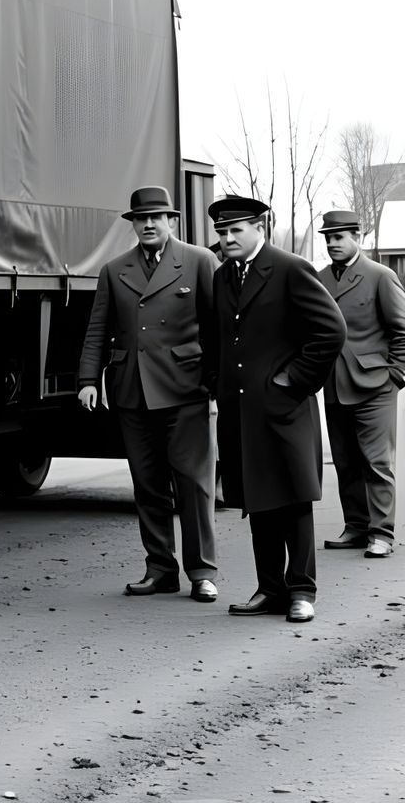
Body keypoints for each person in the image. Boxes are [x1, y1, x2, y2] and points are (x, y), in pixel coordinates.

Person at [77, 186, 220, 601]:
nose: (149, 224)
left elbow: (217, 328)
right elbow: (97, 330)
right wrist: (88, 380)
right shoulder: (114, 269)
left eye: (157, 217)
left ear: (171, 221)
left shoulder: (198, 261)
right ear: (133, 224)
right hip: (132, 391)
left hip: (186, 389)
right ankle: (160, 568)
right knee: (147, 484)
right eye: (142, 219)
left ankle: (202, 572)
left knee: (194, 484)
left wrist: (217, 380)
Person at [210, 194, 346, 623]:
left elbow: (331, 331)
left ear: (258, 229)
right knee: (258, 499)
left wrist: (293, 380)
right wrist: (219, 386)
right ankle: (270, 588)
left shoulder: (289, 269)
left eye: (236, 230)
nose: (228, 238)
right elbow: (222, 339)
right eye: (222, 232)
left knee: (293, 500)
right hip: (240, 411)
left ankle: (302, 591)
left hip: (285, 409)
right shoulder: (223, 277)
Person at [316, 208, 405, 559]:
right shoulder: (319, 278)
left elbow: (402, 330)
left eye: (339, 237)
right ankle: (355, 526)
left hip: (375, 386)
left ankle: (381, 532)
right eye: (328, 238)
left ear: (358, 237)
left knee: (376, 462)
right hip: (334, 385)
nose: (332, 244)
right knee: (345, 462)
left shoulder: (380, 276)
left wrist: (396, 375)